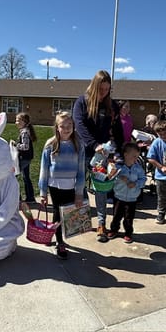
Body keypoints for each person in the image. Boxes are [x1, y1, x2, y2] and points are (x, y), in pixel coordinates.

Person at [72, 70, 124, 243]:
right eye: (101, 89)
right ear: (94, 86)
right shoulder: (82, 102)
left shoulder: (112, 106)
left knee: (101, 189)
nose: (104, 92)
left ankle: (101, 224)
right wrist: (94, 145)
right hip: (82, 151)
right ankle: (83, 219)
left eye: (107, 89)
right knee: (79, 186)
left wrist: (119, 152)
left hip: (102, 154)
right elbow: (79, 126)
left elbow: (117, 131)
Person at [38, 111, 85, 259]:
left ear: (73, 126)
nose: (66, 129)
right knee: (58, 213)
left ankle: (53, 234)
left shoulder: (78, 144)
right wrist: (43, 192)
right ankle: (60, 242)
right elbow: (43, 169)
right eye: (62, 126)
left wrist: (79, 193)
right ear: (57, 128)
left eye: (69, 125)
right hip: (54, 186)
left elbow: (81, 170)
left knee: (66, 215)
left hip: (70, 186)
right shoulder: (50, 145)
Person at [107, 142, 146, 243]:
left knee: (129, 217)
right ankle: (114, 230)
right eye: (134, 156)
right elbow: (110, 178)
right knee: (116, 215)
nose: (136, 158)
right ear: (125, 154)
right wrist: (117, 176)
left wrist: (136, 184)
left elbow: (143, 179)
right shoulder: (119, 167)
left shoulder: (138, 168)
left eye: (137, 156)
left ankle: (128, 233)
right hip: (119, 196)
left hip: (132, 198)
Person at [13, 112, 37, 203]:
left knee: (14, 176)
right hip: (27, 158)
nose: (16, 122)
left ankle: (16, 198)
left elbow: (25, 147)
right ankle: (30, 198)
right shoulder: (25, 131)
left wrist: (15, 145)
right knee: (26, 177)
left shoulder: (24, 132)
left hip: (24, 158)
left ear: (24, 121)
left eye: (18, 120)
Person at [147, 120, 166, 224]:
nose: (163, 136)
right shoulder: (157, 142)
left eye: (165, 133)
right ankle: (161, 214)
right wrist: (161, 166)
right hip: (161, 176)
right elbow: (150, 158)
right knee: (161, 197)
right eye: (160, 134)